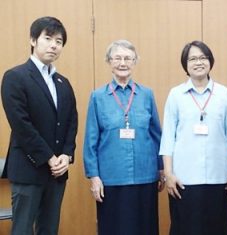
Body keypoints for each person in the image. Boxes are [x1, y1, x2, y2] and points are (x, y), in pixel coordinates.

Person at [1, 16, 78, 235]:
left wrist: (66, 154)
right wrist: (49, 157)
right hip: (28, 169)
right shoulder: (15, 77)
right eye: (48, 38)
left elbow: (72, 121)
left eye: (59, 41)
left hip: (57, 172)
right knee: (23, 229)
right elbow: (21, 125)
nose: (54, 45)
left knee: (49, 229)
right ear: (33, 40)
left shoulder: (63, 82)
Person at [159, 40, 227, 235]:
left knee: (217, 228)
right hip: (183, 179)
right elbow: (168, 136)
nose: (198, 62)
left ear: (210, 61)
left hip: (219, 177)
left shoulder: (223, 94)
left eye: (203, 57)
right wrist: (168, 174)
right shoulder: (176, 94)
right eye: (192, 59)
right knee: (185, 229)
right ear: (185, 65)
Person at [83, 39, 164, 235]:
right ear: (109, 62)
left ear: (135, 62)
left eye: (128, 58)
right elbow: (90, 141)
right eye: (117, 58)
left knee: (145, 228)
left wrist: (161, 168)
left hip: (145, 175)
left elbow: (156, 135)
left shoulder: (146, 94)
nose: (122, 63)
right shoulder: (98, 96)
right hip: (111, 178)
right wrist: (94, 176)